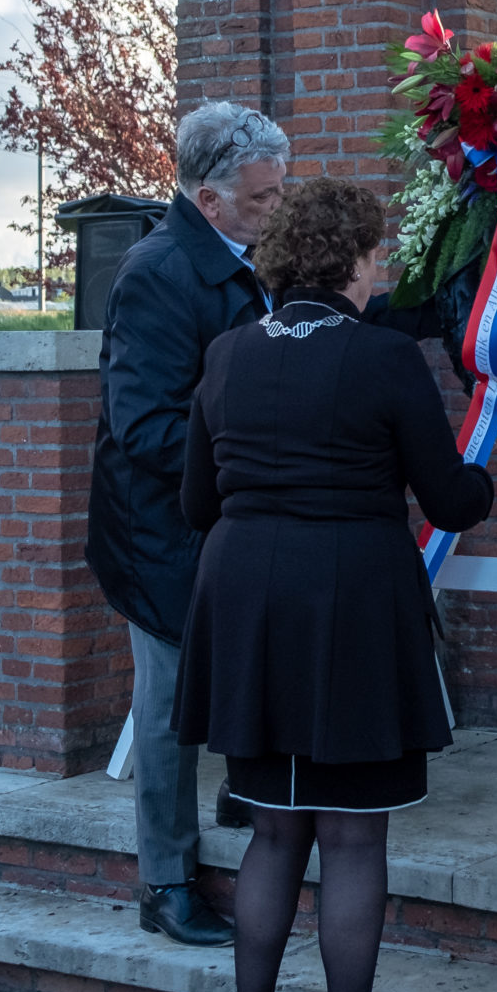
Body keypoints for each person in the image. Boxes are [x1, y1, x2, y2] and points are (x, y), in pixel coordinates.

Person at [174, 178, 494, 992]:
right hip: (351, 603)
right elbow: (446, 498)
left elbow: (198, 503)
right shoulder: (384, 358)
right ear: (355, 262)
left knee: (274, 834)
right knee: (352, 841)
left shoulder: (228, 355)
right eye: (375, 254)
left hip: (247, 607)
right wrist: (482, 480)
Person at [86, 101, 286, 947]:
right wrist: (255, 453)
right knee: (168, 709)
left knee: (246, 666)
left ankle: (240, 793)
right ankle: (165, 883)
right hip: (161, 531)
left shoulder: (239, 257)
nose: (279, 207)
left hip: (221, 517)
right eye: (264, 197)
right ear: (210, 201)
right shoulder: (159, 272)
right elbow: (144, 426)